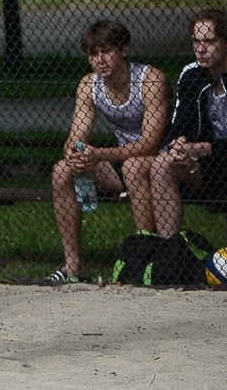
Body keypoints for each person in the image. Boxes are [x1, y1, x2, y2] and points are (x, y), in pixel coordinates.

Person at [133, 8, 227, 257]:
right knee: (163, 163)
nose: (201, 48)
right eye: (196, 41)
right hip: (209, 166)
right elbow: (178, 125)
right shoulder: (191, 74)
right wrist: (180, 145)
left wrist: (205, 148)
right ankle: (169, 256)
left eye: (209, 41)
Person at [45, 20, 170, 283]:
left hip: (159, 162)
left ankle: (145, 259)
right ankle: (72, 267)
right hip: (119, 160)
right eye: (93, 54)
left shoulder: (150, 80)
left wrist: (98, 154)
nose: (99, 60)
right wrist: (75, 154)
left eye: (106, 51)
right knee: (61, 171)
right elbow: (75, 136)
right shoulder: (89, 85)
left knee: (134, 166)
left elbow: (149, 143)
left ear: (124, 50)